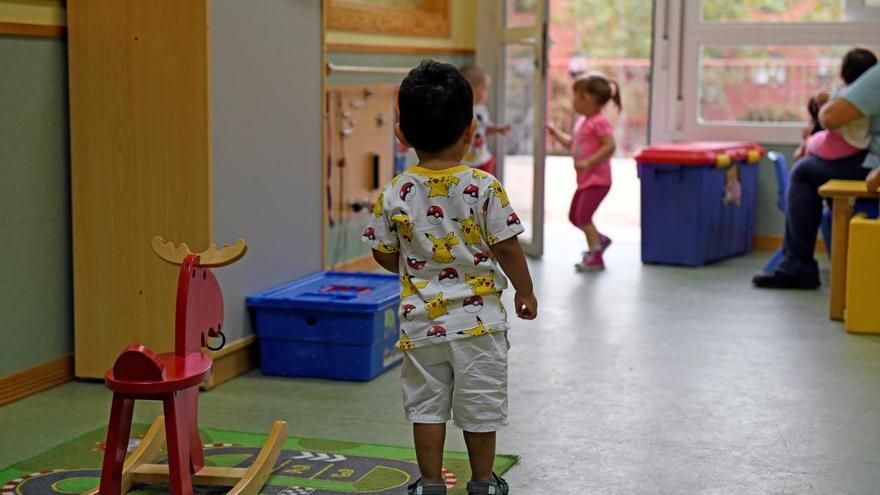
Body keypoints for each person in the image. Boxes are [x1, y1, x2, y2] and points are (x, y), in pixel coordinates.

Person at [363, 60, 538, 495]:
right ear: (471, 131)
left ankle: (428, 485)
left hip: (422, 324)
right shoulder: (484, 186)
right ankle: (482, 484)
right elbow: (507, 247)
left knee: (426, 409)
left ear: (402, 134)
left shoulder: (395, 191)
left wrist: (412, 261)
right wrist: (525, 289)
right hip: (479, 326)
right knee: (479, 407)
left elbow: (383, 254)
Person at [754, 57, 880, 289]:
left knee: (804, 170)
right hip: (868, 164)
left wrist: (825, 107)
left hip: (873, 167)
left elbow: (831, 117)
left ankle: (797, 266)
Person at [546, 73, 621, 271]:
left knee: (583, 217)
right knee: (574, 216)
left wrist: (589, 162)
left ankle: (595, 255)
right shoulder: (583, 121)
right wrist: (555, 133)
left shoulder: (599, 121)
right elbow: (572, 143)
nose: (573, 101)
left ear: (589, 100)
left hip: (598, 180)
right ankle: (599, 240)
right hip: (586, 180)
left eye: (576, 96)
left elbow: (610, 145)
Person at [795, 48, 877, 161]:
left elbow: (824, 109)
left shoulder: (845, 96)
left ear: (843, 73)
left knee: (812, 142)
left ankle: (805, 146)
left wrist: (807, 141)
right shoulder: (870, 96)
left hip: (843, 145)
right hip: (860, 145)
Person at [459, 65, 511, 175]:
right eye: (485, 89)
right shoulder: (459, 111)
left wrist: (497, 129)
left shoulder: (481, 109)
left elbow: (484, 129)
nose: (488, 93)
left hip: (483, 159)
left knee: (485, 188)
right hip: (464, 163)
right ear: (471, 88)